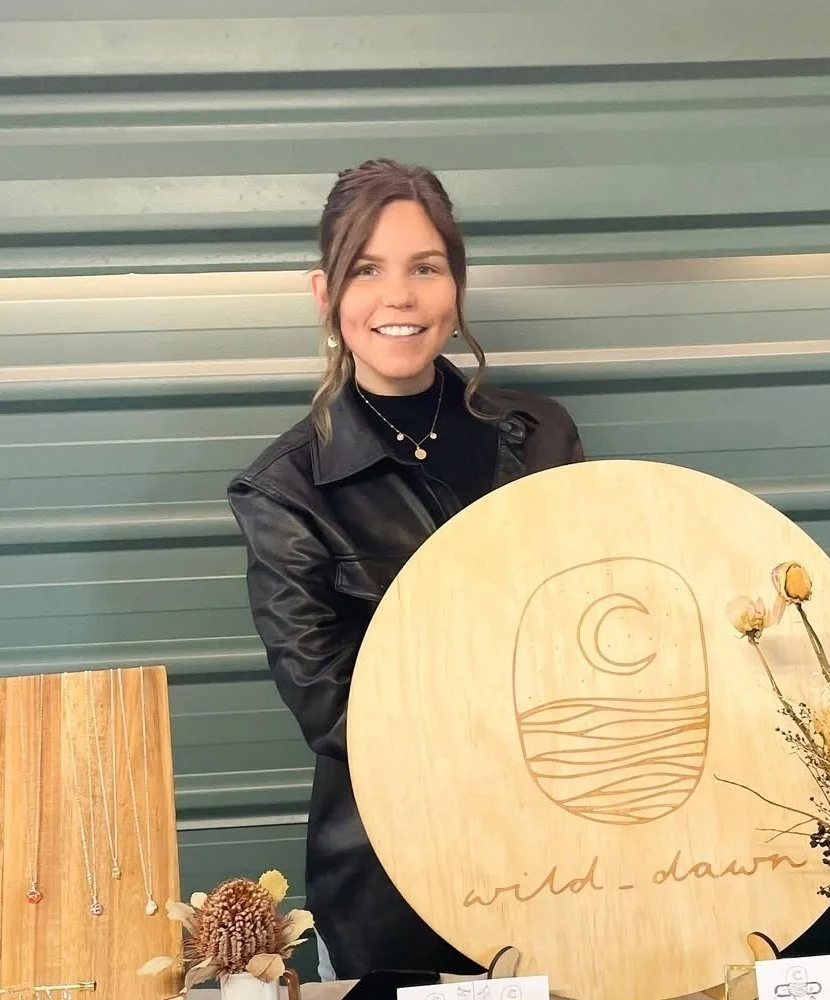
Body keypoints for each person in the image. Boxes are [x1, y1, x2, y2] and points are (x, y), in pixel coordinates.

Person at [227, 158, 585, 980]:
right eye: (366, 270)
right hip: (397, 881)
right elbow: (333, 709)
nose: (399, 296)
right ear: (324, 294)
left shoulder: (542, 435)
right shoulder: (284, 490)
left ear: (456, 286)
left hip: (569, 852)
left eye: (425, 267)